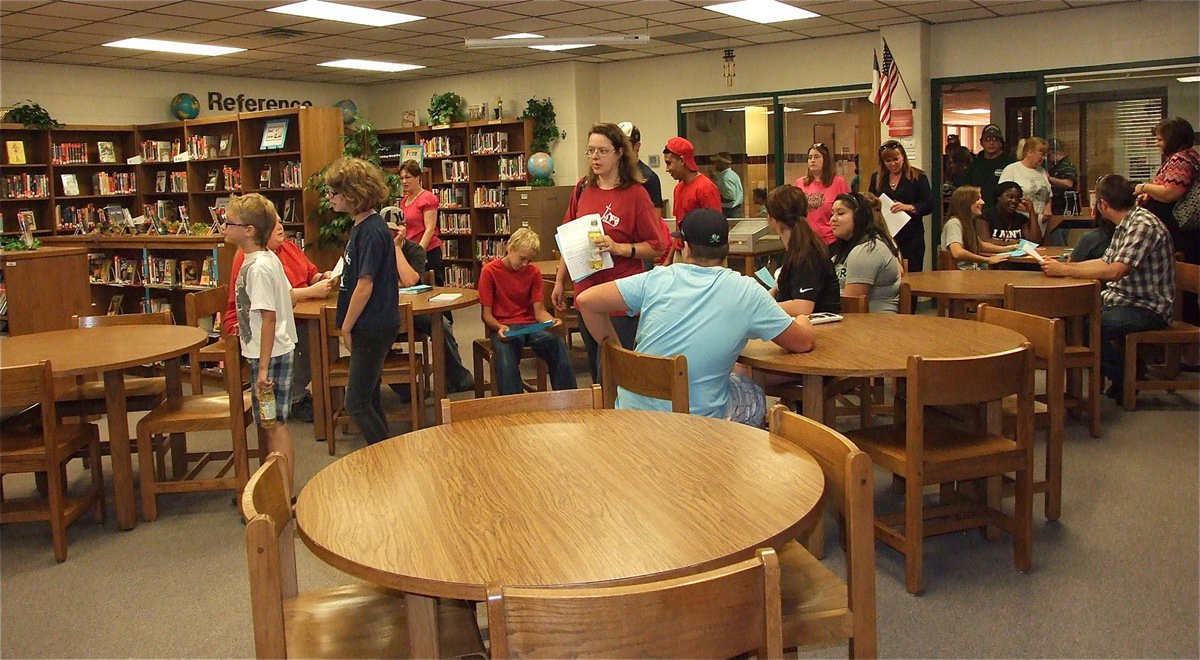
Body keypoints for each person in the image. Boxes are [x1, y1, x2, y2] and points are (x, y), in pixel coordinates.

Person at [575, 208, 814, 427]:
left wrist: (617, 351)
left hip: (631, 417)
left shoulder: (658, 278)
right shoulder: (746, 291)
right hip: (695, 425)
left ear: (685, 246)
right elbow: (802, 343)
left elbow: (586, 301)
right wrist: (802, 322)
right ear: (727, 246)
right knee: (752, 391)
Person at [1041, 174, 1175, 404]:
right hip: (1123, 299)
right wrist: (1064, 267)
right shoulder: (1126, 223)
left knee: (1087, 327)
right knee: (1072, 318)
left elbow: (1115, 271)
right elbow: (1105, 261)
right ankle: (1126, 373)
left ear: (1102, 204)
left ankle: (1127, 377)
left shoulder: (1142, 225)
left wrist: (1065, 271)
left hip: (1148, 307)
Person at [552, 122, 666, 383]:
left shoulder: (636, 194)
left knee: (618, 372)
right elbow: (569, 238)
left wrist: (618, 248)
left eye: (602, 151)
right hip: (586, 295)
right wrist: (560, 280)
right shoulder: (582, 189)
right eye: (590, 151)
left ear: (619, 153)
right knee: (596, 372)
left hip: (620, 299)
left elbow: (657, 245)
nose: (595, 157)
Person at [222, 221, 333, 422]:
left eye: (281, 221)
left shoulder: (286, 249)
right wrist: (310, 292)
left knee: (320, 336)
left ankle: (298, 396)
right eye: (274, 224)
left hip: (283, 320)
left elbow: (308, 274)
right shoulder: (255, 262)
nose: (280, 226)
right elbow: (275, 302)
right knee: (309, 340)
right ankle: (293, 397)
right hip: (257, 326)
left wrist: (322, 278)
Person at [223, 193, 297, 488]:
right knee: (270, 425)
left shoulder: (259, 268)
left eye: (231, 223)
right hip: (266, 353)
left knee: (276, 427)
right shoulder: (260, 259)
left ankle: (285, 494)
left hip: (271, 356)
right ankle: (276, 489)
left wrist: (263, 369)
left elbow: (268, 318)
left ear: (249, 230)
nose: (225, 227)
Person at [327, 157, 399, 445]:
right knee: (369, 395)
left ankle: (385, 454)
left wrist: (346, 326)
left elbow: (365, 285)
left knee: (355, 401)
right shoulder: (363, 226)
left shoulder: (370, 230)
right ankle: (386, 454)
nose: (329, 199)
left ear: (353, 193)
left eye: (334, 193)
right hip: (372, 323)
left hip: (371, 324)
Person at [382, 213, 475, 397]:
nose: (391, 235)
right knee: (376, 338)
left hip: (416, 309)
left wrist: (396, 249)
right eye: (387, 231)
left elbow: (409, 281)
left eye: (395, 230)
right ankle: (409, 390)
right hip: (385, 312)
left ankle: (458, 378)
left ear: (404, 229)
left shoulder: (415, 250)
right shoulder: (375, 250)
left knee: (442, 325)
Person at [478, 227, 576, 396]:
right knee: (506, 356)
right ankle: (515, 408)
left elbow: (539, 312)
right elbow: (486, 315)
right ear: (510, 248)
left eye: (528, 261)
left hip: (530, 326)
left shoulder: (533, 272)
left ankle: (570, 401)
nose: (525, 265)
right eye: (522, 258)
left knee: (556, 343)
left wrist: (551, 320)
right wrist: (499, 326)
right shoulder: (489, 272)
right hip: (504, 327)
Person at [764, 184, 840, 315]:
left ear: (772, 219)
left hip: (822, 329)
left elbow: (803, 307)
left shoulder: (808, 253)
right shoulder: (796, 249)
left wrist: (763, 308)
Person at [1137, 117, 1199, 267]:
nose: (1156, 143)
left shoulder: (1180, 160)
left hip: (1179, 231)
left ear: (1173, 140)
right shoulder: (1189, 156)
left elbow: (1170, 193)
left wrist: (1143, 187)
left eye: (1160, 139)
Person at [829, 192, 902, 313]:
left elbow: (850, 305)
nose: (833, 219)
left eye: (840, 213)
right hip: (852, 322)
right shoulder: (845, 248)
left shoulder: (868, 249)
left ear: (858, 217)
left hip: (873, 326)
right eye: (832, 214)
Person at [868, 140, 934, 271]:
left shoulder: (917, 176)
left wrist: (909, 207)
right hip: (886, 235)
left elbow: (929, 204)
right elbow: (870, 201)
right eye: (888, 161)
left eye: (896, 159)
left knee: (912, 272)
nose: (892, 164)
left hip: (911, 236)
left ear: (903, 157)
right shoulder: (877, 178)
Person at [999, 137, 1056, 243]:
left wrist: (1048, 209)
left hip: (1042, 222)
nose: (1043, 158)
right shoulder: (1012, 169)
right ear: (1030, 152)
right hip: (1021, 222)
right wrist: (1029, 211)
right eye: (1041, 154)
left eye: (1045, 155)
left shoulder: (1042, 171)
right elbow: (1003, 196)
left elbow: (1048, 194)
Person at [663, 136, 721, 238]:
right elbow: (679, 229)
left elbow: (716, 229)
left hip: (701, 252)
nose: (667, 169)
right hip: (683, 250)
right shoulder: (678, 189)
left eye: (669, 163)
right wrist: (672, 253)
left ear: (681, 161)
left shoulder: (705, 188)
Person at [396, 159, 443, 284]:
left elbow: (430, 229)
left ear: (418, 178)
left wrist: (418, 252)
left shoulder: (428, 198)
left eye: (408, 177)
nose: (404, 181)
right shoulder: (403, 201)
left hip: (427, 251)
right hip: (410, 251)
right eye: (401, 178)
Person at [794, 142, 850, 246]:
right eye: (810, 157)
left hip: (831, 240)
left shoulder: (838, 182)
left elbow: (848, 211)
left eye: (817, 157)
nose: (812, 160)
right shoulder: (800, 183)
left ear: (826, 160)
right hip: (806, 241)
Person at [940, 185, 1008, 270]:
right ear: (966, 202)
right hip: (961, 276)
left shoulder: (967, 222)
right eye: (977, 199)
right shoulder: (954, 223)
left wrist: (1010, 248)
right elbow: (957, 252)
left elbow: (981, 245)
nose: (982, 202)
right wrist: (987, 260)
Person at [962, 124, 1016, 209]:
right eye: (987, 140)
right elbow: (967, 187)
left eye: (995, 140)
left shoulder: (1010, 163)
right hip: (978, 209)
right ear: (981, 143)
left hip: (1001, 211)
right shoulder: (975, 163)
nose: (991, 143)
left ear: (1001, 143)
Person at [617, 121, 665, 215]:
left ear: (637, 146)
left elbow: (655, 217)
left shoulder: (649, 177)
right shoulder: (613, 174)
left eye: (625, 144)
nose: (621, 149)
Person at [978, 181, 1041, 246]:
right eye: (1010, 197)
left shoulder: (1021, 219)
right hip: (992, 255)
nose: (1014, 201)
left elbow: (1034, 243)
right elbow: (984, 241)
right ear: (998, 197)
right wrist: (1015, 243)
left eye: (1017, 199)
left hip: (1017, 255)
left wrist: (1031, 212)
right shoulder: (985, 216)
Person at [1047, 137, 1079, 215]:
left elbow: (1069, 183)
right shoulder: (1055, 166)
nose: (1047, 158)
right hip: (1057, 207)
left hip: (1064, 207)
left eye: (1048, 155)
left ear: (1055, 152)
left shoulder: (1066, 165)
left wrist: (1049, 178)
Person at [712, 151, 744, 218]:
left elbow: (730, 197)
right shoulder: (731, 174)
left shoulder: (726, 177)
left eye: (717, 162)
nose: (715, 164)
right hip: (734, 210)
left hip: (729, 211)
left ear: (722, 163)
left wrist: (715, 197)